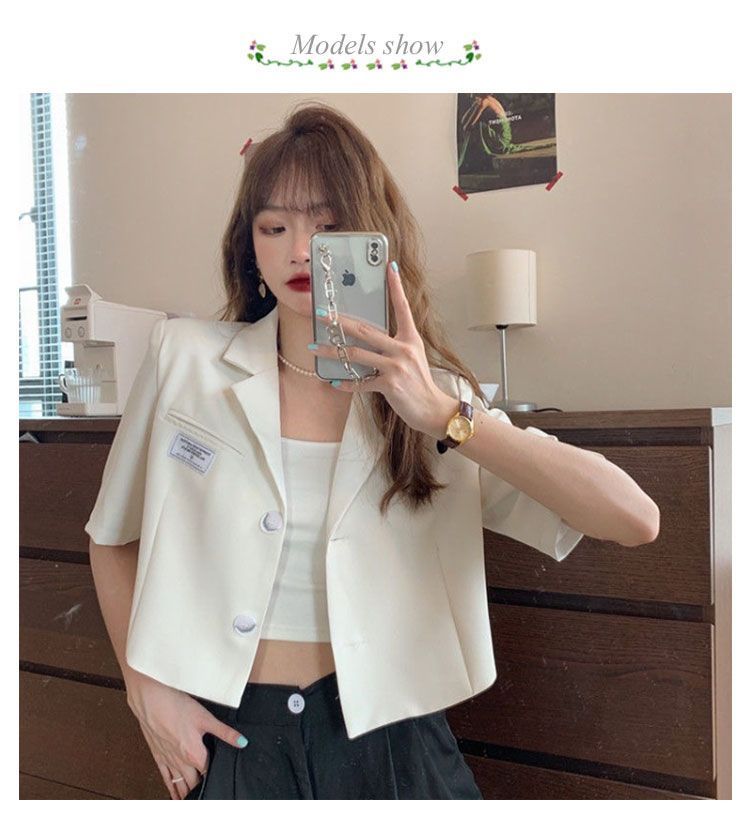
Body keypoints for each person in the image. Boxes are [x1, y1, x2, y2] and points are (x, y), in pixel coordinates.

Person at [86, 102, 660, 800]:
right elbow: (111, 539)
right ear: (250, 244)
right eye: (275, 227)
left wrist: (443, 414)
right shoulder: (184, 361)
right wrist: (146, 692)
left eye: (328, 227)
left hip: (395, 746)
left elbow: (634, 519)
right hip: (234, 740)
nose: (301, 251)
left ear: (373, 239)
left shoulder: (435, 401)